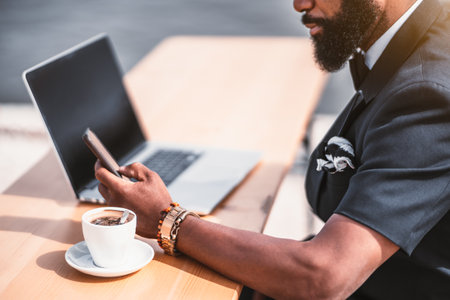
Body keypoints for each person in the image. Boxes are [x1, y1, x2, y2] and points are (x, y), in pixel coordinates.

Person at [95, 0, 450, 298]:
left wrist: (166, 219)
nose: (299, 4)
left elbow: (323, 276)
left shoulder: (426, 91)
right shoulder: (405, 48)